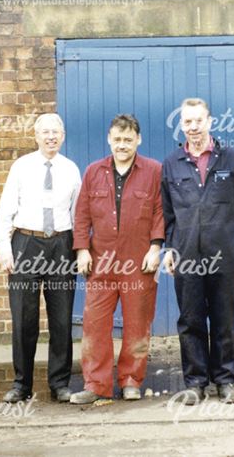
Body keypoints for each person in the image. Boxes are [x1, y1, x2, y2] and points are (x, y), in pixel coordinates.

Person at [161, 98, 234, 405]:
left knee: (223, 317)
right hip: (187, 253)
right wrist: (169, 250)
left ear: (210, 122)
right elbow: (167, 214)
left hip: (225, 251)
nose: (193, 127)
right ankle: (195, 382)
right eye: (187, 122)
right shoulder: (172, 163)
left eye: (198, 120)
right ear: (182, 125)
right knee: (191, 319)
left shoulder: (231, 158)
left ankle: (225, 380)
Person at [68, 114, 164, 404]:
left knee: (137, 322)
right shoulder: (93, 171)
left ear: (138, 140)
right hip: (101, 261)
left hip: (139, 261)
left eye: (128, 139)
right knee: (95, 323)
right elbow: (82, 214)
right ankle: (96, 384)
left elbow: (161, 211)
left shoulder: (154, 171)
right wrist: (82, 249)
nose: (122, 145)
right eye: (117, 139)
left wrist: (156, 247)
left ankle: (131, 380)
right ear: (109, 139)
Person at [0, 113, 81, 403]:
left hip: (60, 244)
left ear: (63, 136)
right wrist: (5, 246)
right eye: (45, 132)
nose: (51, 137)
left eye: (56, 132)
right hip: (25, 243)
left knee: (61, 317)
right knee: (24, 318)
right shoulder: (22, 167)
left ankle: (60, 384)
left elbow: (78, 214)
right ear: (36, 135)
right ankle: (22, 384)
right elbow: (6, 208)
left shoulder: (70, 170)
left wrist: (79, 249)